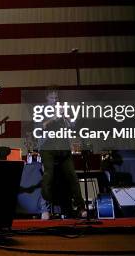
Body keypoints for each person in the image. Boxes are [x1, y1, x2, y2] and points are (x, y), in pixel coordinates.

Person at [38, 87, 87, 219]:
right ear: (47, 99)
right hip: (47, 148)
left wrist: (67, 116)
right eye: (52, 98)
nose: (55, 100)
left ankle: (80, 207)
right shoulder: (40, 110)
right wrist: (55, 117)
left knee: (72, 177)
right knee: (48, 178)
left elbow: (73, 125)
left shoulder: (62, 110)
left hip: (63, 148)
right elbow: (42, 126)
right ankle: (45, 209)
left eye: (57, 98)